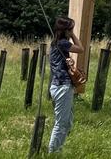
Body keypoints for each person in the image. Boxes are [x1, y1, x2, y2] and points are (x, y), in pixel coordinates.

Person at [48, 16, 83, 154]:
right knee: (61, 123)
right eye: (70, 28)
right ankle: (53, 152)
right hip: (62, 86)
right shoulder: (63, 43)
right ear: (66, 30)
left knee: (67, 122)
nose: (72, 31)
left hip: (59, 85)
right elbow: (81, 49)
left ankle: (58, 149)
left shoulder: (55, 43)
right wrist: (73, 35)